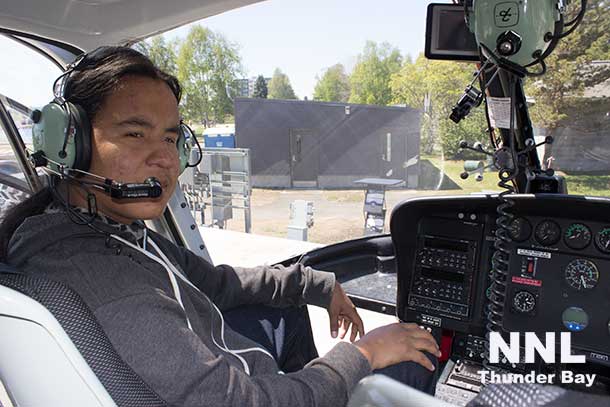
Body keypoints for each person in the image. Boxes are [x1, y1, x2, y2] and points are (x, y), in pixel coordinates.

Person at [0, 46, 440, 407]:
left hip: (230, 373)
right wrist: (361, 355)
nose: (166, 159)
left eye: (170, 138)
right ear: (69, 142)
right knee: (416, 357)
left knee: (282, 307)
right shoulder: (110, 283)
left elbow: (216, 283)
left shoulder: (93, 231)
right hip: (250, 394)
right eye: (135, 134)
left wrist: (313, 284)